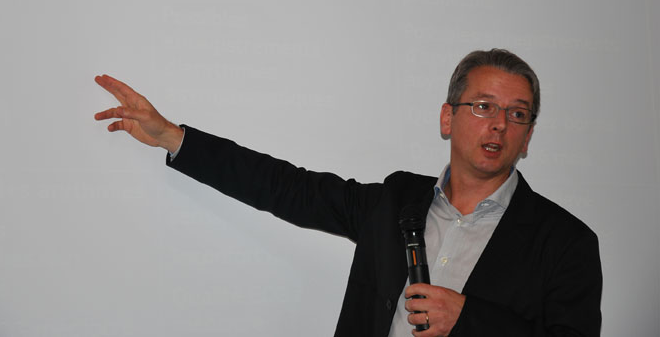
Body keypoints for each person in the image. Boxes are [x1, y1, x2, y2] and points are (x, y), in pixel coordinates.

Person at [94, 49, 602, 337]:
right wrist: (173, 138)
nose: (499, 124)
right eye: (483, 106)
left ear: (528, 137)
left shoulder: (566, 243)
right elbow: (287, 187)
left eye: (517, 114)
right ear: (447, 118)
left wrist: (468, 320)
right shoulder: (396, 202)